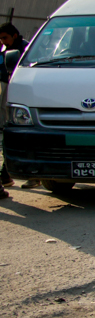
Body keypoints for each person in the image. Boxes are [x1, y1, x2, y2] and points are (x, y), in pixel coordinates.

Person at [0, 22, 32, 195]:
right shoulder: (7, 52)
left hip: (19, 95)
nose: (3, 41)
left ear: (14, 35)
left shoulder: (25, 49)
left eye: (5, 37)